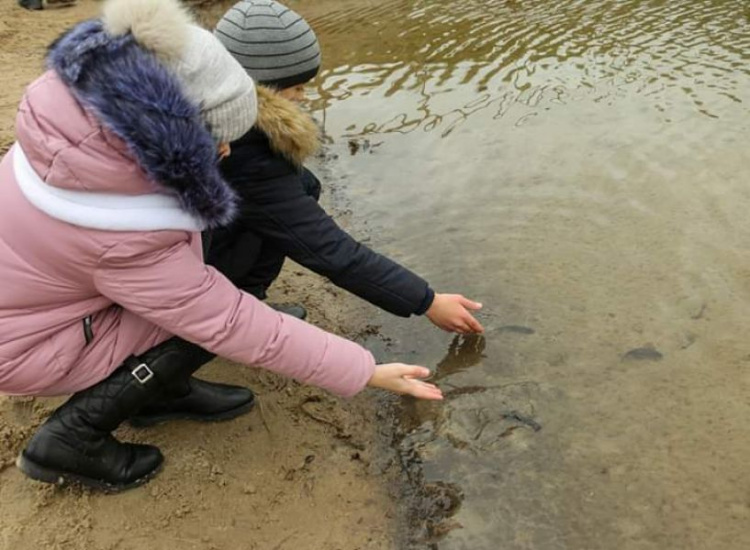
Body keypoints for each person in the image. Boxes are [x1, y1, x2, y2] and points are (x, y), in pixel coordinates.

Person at [0, 0, 441, 493]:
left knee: (211, 301)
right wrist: (366, 371)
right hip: (24, 347)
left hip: (39, 306)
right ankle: (71, 440)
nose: (226, 152)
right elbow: (228, 320)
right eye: (215, 142)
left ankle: (158, 392)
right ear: (173, 132)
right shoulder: (124, 236)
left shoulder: (79, 137)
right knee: (215, 318)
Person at [209, 0, 486, 335]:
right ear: (263, 88)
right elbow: (331, 251)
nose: (304, 96)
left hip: (187, 239)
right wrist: (427, 301)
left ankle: (246, 299)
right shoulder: (245, 153)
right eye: (297, 87)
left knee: (304, 185)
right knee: (290, 212)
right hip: (175, 273)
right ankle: (224, 320)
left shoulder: (210, 107)